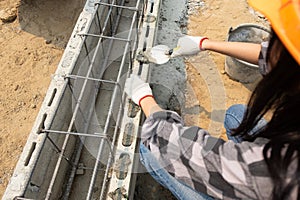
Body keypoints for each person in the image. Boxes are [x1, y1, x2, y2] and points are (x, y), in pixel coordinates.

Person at [125, 0, 300, 199]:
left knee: (151, 152)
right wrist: (205, 44)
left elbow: (175, 146)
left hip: (271, 184)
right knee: (236, 115)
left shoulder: (283, 169)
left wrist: (145, 98)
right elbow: (277, 57)